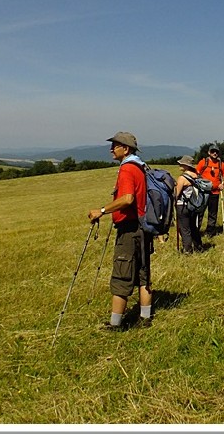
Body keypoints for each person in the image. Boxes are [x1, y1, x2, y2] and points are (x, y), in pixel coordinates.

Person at [87, 131, 152, 330]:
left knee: (122, 276)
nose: (111, 150)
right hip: (143, 228)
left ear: (126, 149)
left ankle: (116, 324)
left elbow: (127, 199)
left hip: (129, 230)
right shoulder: (140, 167)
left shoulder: (127, 169)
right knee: (143, 275)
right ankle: (145, 318)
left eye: (115, 146)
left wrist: (102, 211)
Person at [196, 145, 224, 237]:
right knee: (200, 212)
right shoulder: (203, 162)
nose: (215, 153)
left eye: (216, 152)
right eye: (213, 151)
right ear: (209, 152)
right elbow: (196, 174)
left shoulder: (221, 164)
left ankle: (210, 232)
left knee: (212, 213)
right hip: (203, 192)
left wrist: (223, 184)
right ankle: (196, 230)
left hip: (215, 192)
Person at [174, 155, 203, 253]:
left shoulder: (182, 178)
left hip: (182, 205)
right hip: (194, 205)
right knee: (193, 227)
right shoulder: (197, 176)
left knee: (184, 229)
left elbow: (176, 194)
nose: (179, 165)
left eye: (181, 164)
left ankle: (187, 249)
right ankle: (198, 246)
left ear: (186, 165)